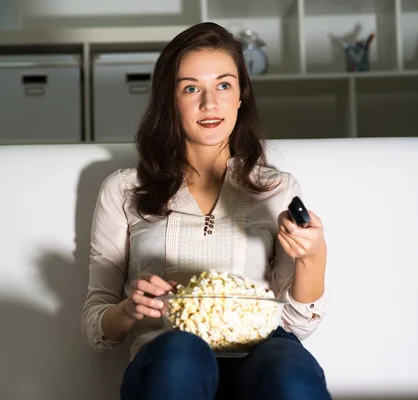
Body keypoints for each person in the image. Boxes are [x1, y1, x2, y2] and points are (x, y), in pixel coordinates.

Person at [81, 22, 331, 400]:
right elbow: (96, 324)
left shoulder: (277, 189)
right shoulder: (124, 189)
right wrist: (130, 309)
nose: (209, 103)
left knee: (289, 373)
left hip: (261, 349)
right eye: (191, 88)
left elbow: (296, 322)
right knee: (182, 355)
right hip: (168, 351)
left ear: (240, 96)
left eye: (224, 85)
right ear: (170, 99)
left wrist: (314, 254)